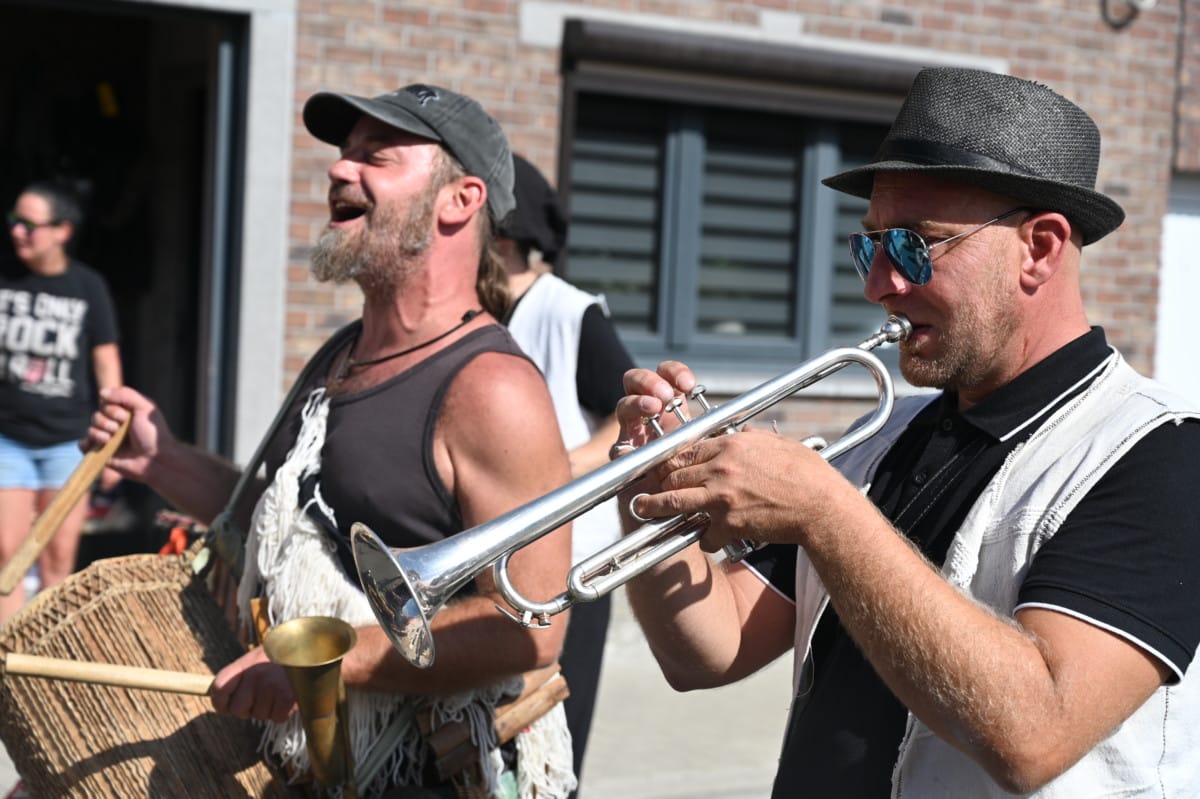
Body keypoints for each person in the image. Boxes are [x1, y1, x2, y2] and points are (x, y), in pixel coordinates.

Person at [614, 67, 1200, 797]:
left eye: (916, 245)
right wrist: (650, 497)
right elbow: (711, 649)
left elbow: (1036, 732)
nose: (878, 284)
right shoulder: (885, 435)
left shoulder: (1157, 452)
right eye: (870, 246)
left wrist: (825, 511)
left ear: (1041, 248)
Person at [85, 84, 577, 799]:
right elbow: (289, 521)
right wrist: (164, 460)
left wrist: (322, 663)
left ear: (459, 200)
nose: (340, 170)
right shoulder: (343, 351)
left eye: (377, 157)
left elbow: (530, 628)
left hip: (431, 778)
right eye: (346, 153)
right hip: (321, 772)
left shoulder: (493, 389)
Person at [496, 154, 636, 794]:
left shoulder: (570, 312)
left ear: (503, 238)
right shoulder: (480, 313)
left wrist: (547, 473)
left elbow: (632, 418)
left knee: (548, 754)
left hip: (573, 566)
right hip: (505, 563)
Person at [1, 180, 122, 624]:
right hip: (7, 438)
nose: (17, 232)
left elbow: (107, 366)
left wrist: (112, 443)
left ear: (62, 231)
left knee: (58, 559)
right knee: (6, 554)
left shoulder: (88, 287)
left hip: (68, 444)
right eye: (14, 221)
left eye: (28, 225)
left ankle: (44, 653)